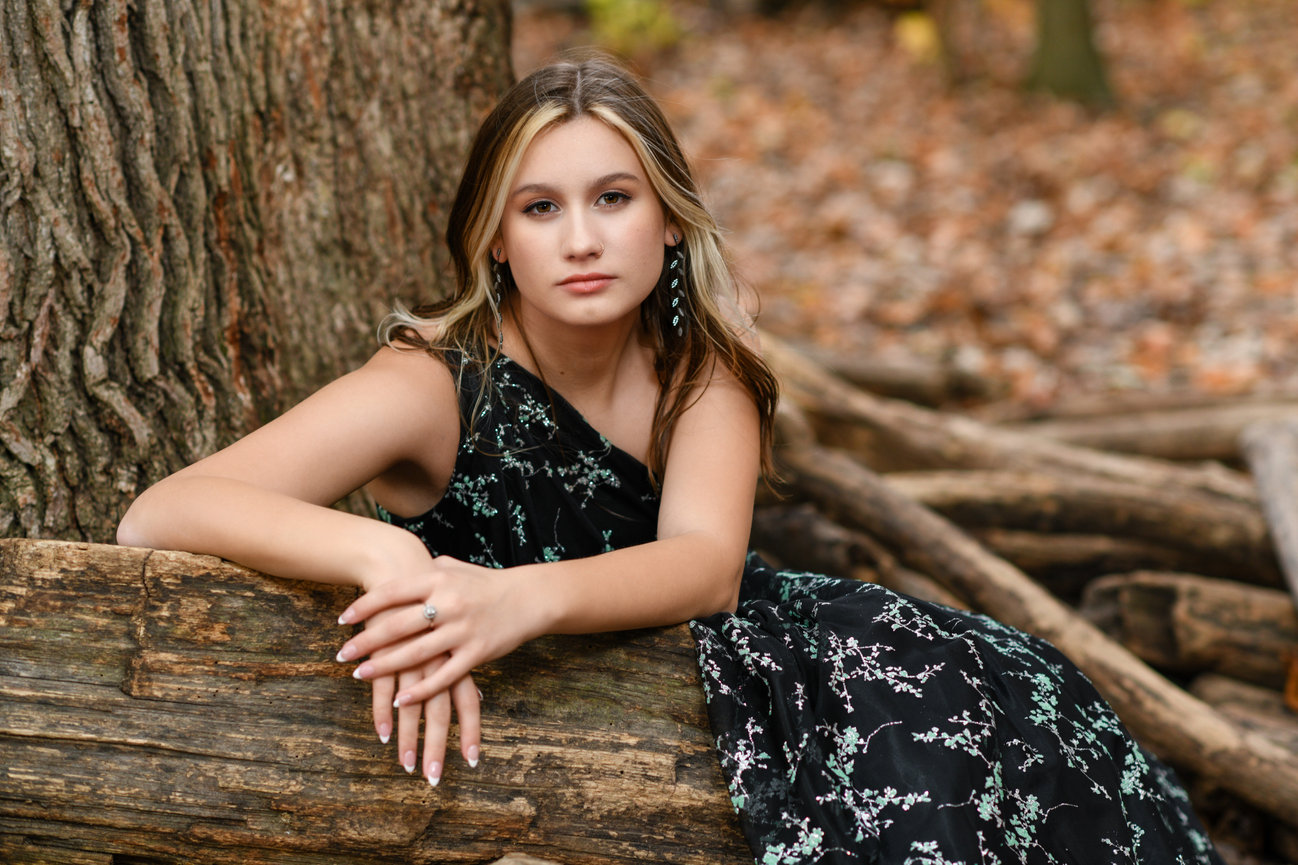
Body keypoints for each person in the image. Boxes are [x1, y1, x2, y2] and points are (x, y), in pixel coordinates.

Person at [118, 53, 1222, 865]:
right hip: (584, 719)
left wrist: (510, 600)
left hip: (800, 659)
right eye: (539, 209)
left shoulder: (705, 369)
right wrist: (385, 557)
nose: (582, 239)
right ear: (495, 239)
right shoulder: (431, 386)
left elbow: (704, 564)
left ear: (667, 222)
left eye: (613, 199)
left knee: (978, 760)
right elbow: (161, 513)